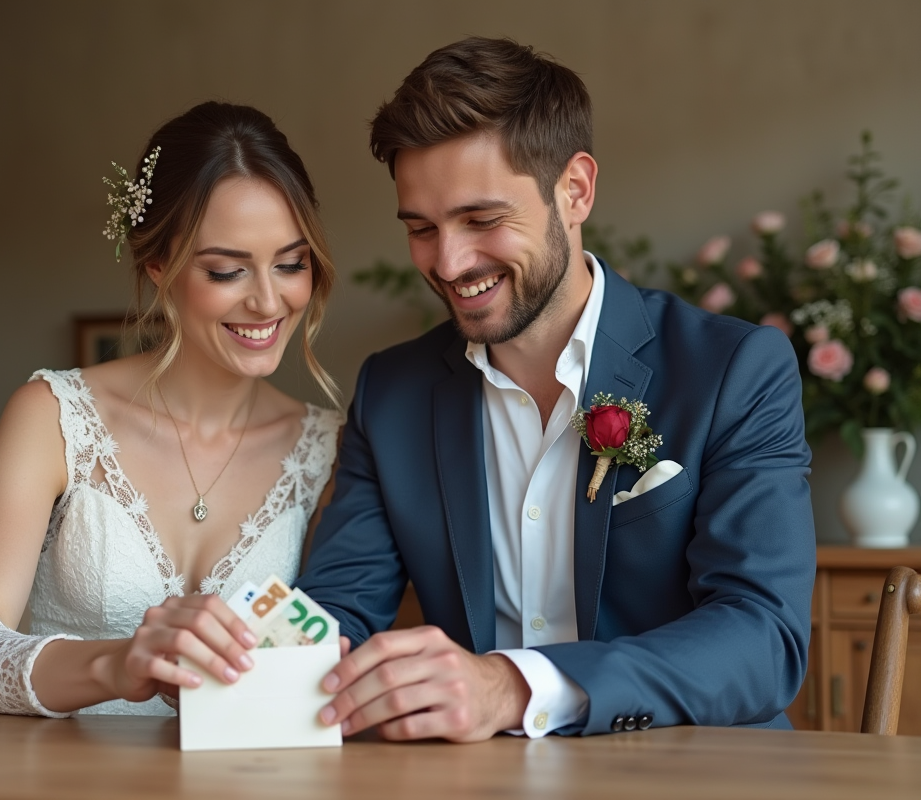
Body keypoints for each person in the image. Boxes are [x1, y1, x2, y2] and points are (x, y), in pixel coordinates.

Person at [296, 37, 815, 741]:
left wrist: (515, 686)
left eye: (482, 220)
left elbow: (762, 638)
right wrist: (245, 652)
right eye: (421, 229)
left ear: (574, 190)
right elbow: (338, 616)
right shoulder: (393, 393)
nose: (448, 262)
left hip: (691, 776)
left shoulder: (734, 369)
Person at [0, 102, 343, 716]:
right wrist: (116, 664)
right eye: (227, 271)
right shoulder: (52, 417)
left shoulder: (330, 449)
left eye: (290, 263)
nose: (268, 300)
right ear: (157, 269)